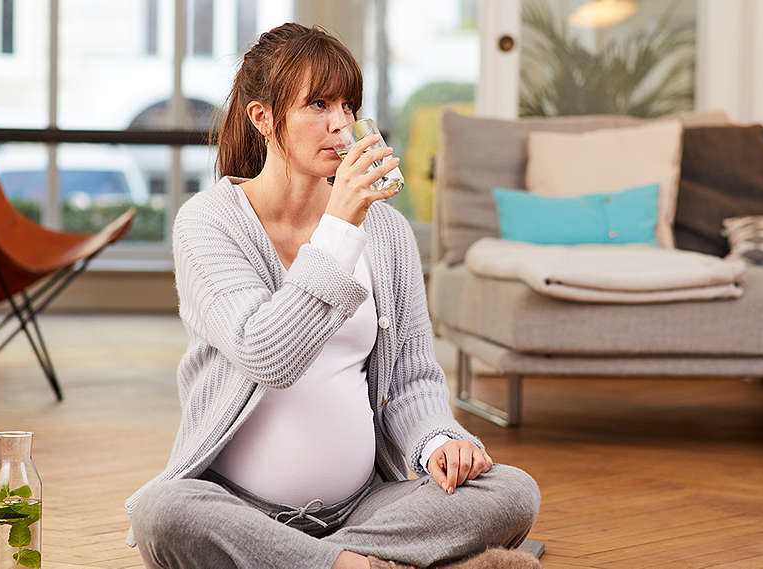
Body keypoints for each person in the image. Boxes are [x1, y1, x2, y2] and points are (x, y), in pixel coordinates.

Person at [124, 23, 542, 569]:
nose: (341, 123)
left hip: (365, 508)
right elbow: (267, 355)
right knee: (163, 513)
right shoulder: (209, 223)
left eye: (348, 105)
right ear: (263, 119)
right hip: (236, 506)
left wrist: (439, 440)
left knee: (512, 493)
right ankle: (354, 564)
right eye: (318, 104)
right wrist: (340, 229)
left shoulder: (386, 231)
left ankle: (310, 562)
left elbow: (413, 376)